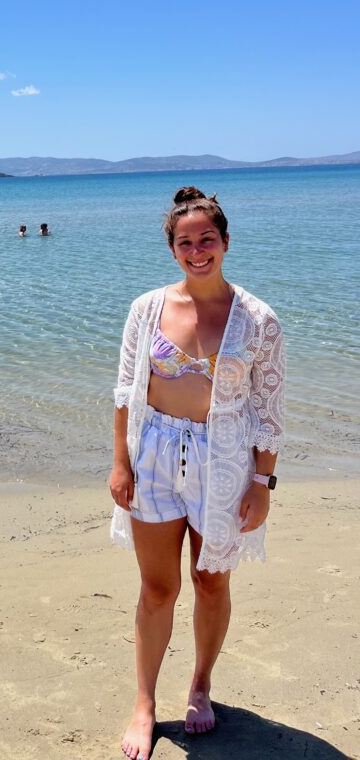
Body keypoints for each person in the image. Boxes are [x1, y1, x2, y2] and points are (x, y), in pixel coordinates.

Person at [109, 187, 285, 760]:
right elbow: (124, 390)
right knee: (158, 588)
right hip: (154, 456)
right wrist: (120, 461)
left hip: (225, 461)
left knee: (212, 581)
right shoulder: (147, 308)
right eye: (185, 241)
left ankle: (201, 685)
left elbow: (269, 407)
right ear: (172, 249)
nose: (197, 249)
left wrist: (262, 483)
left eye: (207, 238)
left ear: (225, 242)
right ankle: (144, 703)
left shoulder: (258, 320)